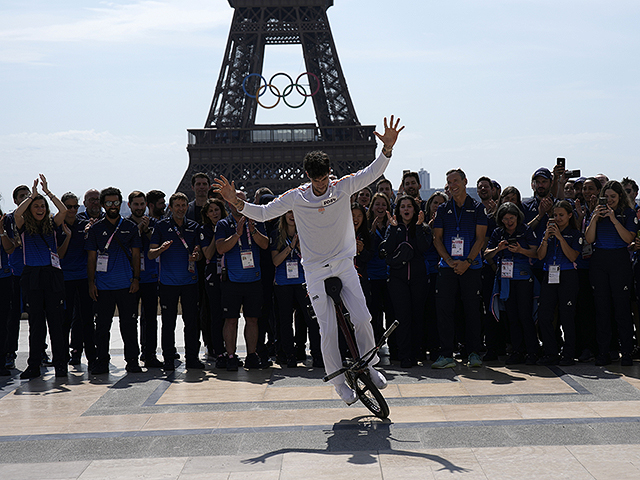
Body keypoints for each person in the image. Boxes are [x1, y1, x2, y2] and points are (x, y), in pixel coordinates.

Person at [212, 115, 403, 405]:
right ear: (307, 176)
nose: (321, 184)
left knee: (363, 318)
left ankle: (369, 365)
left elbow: (372, 173)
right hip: (314, 269)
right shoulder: (296, 196)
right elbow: (263, 214)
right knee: (326, 329)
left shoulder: (342, 187)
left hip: (343, 264)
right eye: (316, 180)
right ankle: (339, 384)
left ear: (330, 172)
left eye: (324, 178)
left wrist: (387, 150)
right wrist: (235, 202)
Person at [432, 168, 487, 369]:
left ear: (465, 181)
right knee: (445, 310)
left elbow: (481, 238)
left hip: (471, 267)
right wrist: (448, 260)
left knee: (472, 310)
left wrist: (467, 262)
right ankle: (446, 354)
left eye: (455, 181)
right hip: (447, 267)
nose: (452, 185)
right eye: (449, 182)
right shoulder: (443, 209)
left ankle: (473, 352)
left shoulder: (478, 208)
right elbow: (437, 239)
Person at [14, 175, 68, 379]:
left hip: (52, 275)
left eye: (42, 206)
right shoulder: (23, 226)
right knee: (36, 324)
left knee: (56, 322)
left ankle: (60, 365)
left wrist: (48, 193)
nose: (40, 209)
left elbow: (63, 210)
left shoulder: (52, 225)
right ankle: (34, 365)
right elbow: (18, 214)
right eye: (36, 206)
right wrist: (32, 196)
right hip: (32, 276)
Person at [86, 187, 142, 375]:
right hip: (103, 286)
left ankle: (132, 361)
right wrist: (91, 283)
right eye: (108, 203)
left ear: (121, 204)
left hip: (126, 285)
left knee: (129, 325)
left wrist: (136, 279)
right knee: (102, 326)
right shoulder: (96, 228)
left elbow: (136, 255)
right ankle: (102, 361)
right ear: (103, 205)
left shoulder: (130, 227)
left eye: (116, 202)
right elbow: (92, 259)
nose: (112, 206)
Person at [585, 180, 638, 366]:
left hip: (619, 262)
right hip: (600, 261)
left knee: (622, 309)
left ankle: (626, 351)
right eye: (606, 197)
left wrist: (614, 219)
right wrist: (594, 218)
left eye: (613, 197)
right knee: (602, 309)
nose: (609, 200)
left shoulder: (628, 214)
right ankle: (603, 352)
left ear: (620, 197)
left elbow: (628, 239)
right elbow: (589, 239)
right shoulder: (596, 214)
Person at [149, 193, 204, 371]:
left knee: (192, 322)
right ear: (170, 208)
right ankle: (168, 358)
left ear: (187, 207)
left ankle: (192, 358)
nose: (181, 208)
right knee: (168, 322)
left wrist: (197, 256)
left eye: (183, 205)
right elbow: (150, 254)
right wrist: (161, 249)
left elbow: (200, 253)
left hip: (189, 282)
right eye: (177, 205)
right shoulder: (161, 226)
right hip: (168, 283)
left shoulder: (194, 227)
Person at [215, 191, 269, 371]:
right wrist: (237, 235)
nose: (238, 204)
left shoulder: (256, 221)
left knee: (252, 319)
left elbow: (265, 244)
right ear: (229, 204)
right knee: (230, 320)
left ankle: (252, 354)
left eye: (243, 201)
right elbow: (221, 248)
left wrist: (252, 230)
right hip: (232, 280)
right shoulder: (223, 224)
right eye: (235, 201)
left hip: (254, 279)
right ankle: (231, 355)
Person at [484, 202, 538, 365]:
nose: (509, 221)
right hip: (506, 277)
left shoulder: (525, 230)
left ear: (517, 217)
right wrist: (498, 249)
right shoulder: (498, 232)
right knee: (512, 317)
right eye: (505, 218)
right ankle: (517, 351)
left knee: (525, 315)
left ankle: (532, 351)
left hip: (523, 277)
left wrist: (521, 250)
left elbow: (536, 252)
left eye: (511, 217)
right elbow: (486, 254)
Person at [383, 195, 431, 367]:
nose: (406, 209)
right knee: (402, 317)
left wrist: (418, 227)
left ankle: (417, 352)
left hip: (418, 278)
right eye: (402, 206)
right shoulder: (393, 228)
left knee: (418, 317)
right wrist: (395, 230)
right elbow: (387, 250)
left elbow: (424, 248)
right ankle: (405, 356)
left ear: (414, 209)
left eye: (409, 206)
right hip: (398, 279)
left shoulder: (423, 228)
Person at [271, 211, 322, 368]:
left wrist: (300, 249)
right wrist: (291, 246)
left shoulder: (306, 232)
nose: (292, 216)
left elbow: (314, 258)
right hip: (283, 283)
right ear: (284, 215)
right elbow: (275, 261)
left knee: (311, 320)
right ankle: (289, 355)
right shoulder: (277, 234)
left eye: (295, 212)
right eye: (289, 213)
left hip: (303, 282)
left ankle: (317, 355)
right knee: (285, 321)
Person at [536, 200, 582, 366]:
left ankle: (569, 353)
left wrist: (561, 238)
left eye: (561, 215)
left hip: (567, 275)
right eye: (555, 215)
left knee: (567, 315)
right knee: (544, 315)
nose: (558, 218)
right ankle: (550, 351)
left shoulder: (575, 234)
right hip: (549, 274)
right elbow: (540, 256)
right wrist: (546, 238)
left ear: (569, 215)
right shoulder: (548, 233)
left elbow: (572, 256)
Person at [57, 192, 96, 369]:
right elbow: (60, 255)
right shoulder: (57, 226)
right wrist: (68, 236)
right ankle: (63, 358)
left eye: (75, 207)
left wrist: (91, 281)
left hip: (82, 278)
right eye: (68, 207)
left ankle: (92, 358)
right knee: (65, 321)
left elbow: (91, 254)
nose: (72, 210)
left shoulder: (85, 225)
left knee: (87, 319)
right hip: (65, 279)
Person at [127, 191, 162, 368]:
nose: (139, 208)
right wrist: (137, 229)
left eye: (142, 204)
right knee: (130, 319)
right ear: (130, 206)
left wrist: (146, 230)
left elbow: (156, 244)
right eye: (136, 205)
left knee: (150, 318)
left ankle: (150, 354)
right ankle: (132, 356)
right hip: (131, 278)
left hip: (149, 277)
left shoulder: (154, 223)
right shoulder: (125, 225)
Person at [201, 198, 227, 367]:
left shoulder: (229, 226)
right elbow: (209, 254)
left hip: (229, 274)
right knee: (216, 314)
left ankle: (229, 350)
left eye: (216, 209)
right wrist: (217, 235)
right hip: (213, 274)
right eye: (210, 211)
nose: (214, 213)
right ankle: (218, 351)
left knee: (229, 316)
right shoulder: (204, 230)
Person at [366, 193, 394, 345]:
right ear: (372, 207)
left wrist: (392, 231)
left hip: (389, 275)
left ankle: (393, 345)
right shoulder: (367, 225)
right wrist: (371, 232)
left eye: (384, 204)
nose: (381, 207)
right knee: (373, 314)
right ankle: (374, 345)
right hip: (372, 275)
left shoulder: (393, 225)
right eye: (377, 204)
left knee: (391, 312)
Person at [0, 207, 16, 376]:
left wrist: (1, 232)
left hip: (3, 277)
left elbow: (10, 249)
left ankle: (2, 359)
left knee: (4, 320)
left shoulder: (5, 222)